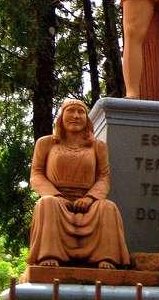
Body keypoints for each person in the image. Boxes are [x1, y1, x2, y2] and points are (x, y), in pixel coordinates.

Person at [28, 99, 130, 269]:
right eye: (71, 111)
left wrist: (90, 198)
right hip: (57, 198)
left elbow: (104, 177)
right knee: (46, 204)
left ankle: (105, 257)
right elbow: (36, 174)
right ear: (61, 116)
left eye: (81, 112)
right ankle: (50, 254)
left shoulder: (98, 146)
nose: (76, 116)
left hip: (88, 201)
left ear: (86, 118)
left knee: (108, 208)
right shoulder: (46, 143)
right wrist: (56, 195)